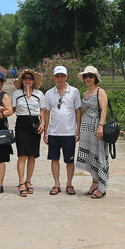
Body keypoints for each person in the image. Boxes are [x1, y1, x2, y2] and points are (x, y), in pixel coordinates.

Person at [43, 66, 81, 195]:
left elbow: (78, 111)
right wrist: (46, 131)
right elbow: (47, 113)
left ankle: (69, 184)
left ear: (66, 77)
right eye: (57, 76)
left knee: (69, 160)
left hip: (69, 132)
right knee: (54, 159)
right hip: (54, 132)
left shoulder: (74, 91)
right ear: (54, 77)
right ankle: (56, 184)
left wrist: (78, 129)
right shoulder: (49, 93)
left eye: (62, 76)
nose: (60, 79)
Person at [76, 66, 110, 199]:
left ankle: (102, 187)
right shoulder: (85, 93)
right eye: (86, 76)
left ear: (95, 77)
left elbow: (104, 110)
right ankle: (94, 183)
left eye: (90, 76)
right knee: (91, 156)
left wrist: (100, 126)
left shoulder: (100, 91)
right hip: (86, 128)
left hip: (97, 126)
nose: (88, 78)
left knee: (99, 154)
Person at [11, 68, 46, 196]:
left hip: (35, 123)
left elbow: (42, 110)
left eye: (30, 78)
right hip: (21, 124)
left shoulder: (39, 94)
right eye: (25, 78)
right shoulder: (17, 94)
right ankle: (21, 182)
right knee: (22, 155)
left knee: (32, 155)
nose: (28, 80)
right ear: (22, 80)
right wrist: (2, 110)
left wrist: (43, 123)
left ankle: (28, 180)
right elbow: (12, 109)